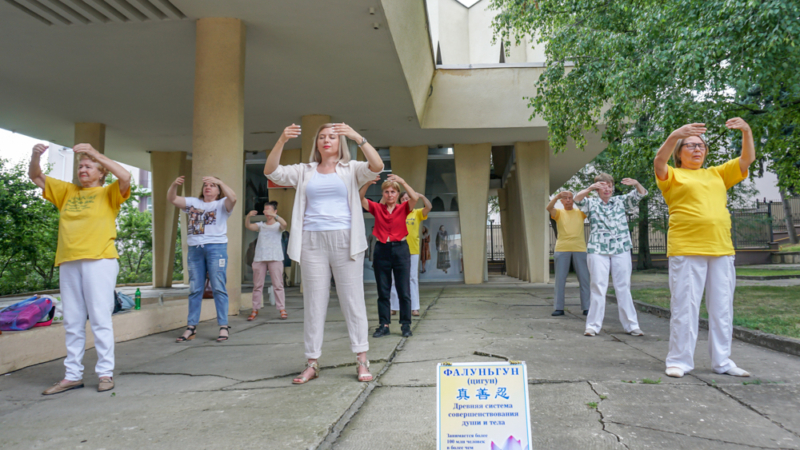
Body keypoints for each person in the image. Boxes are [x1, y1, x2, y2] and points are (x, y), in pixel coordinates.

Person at [265, 122, 382, 384]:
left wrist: (356, 136)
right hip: (311, 241)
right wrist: (282, 140)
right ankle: (312, 362)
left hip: (345, 240)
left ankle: (362, 360)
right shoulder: (304, 171)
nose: (326, 140)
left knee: (353, 301)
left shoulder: (351, 169)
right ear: (315, 143)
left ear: (340, 142)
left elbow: (376, 166)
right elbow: (270, 171)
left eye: (332, 136)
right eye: (321, 137)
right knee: (314, 304)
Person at [654, 119, 755, 378]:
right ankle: (679, 361)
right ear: (679, 153)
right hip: (686, 248)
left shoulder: (718, 173)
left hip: (721, 248)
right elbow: (659, 162)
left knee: (722, 308)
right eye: (689, 146)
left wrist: (746, 131)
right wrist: (675, 135)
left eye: (700, 146)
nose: (697, 150)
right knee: (684, 306)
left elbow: (746, 160)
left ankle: (722, 361)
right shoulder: (673, 175)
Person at [30, 143, 131, 395]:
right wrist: (35, 156)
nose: (82, 169)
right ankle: (72, 375)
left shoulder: (109, 193)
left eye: (88, 166)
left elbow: (126, 177)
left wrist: (96, 154)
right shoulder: (67, 192)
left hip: (99, 260)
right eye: (80, 166)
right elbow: (35, 176)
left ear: (101, 173)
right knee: (73, 321)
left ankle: (105, 373)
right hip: (69, 260)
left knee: (99, 317)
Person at [574, 174, 646, 337]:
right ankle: (592, 326)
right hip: (598, 250)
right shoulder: (591, 203)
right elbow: (577, 199)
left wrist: (636, 183)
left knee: (623, 287)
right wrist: (590, 189)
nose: (607, 188)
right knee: (598, 287)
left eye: (609, 185)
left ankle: (632, 325)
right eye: (603, 185)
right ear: (597, 188)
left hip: (621, 249)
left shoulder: (620, 201)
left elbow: (640, 194)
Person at [168, 175, 237, 343]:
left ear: (218, 190)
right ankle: (191, 328)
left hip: (216, 248)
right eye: (206, 185)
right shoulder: (193, 203)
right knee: (195, 289)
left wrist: (220, 181)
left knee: (218, 286)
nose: (208, 187)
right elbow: (172, 199)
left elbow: (233, 198)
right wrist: (173, 185)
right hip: (195, 250)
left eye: (212, 185)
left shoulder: (222, 204)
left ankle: (223, 326)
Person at [360, 175, 420, 338]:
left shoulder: (404, 208)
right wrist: (367, 183)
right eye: (386, 192)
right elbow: (360, 198)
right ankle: (384, 324)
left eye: (393, 191)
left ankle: (405, 325)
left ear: (397, 194)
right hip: (382, 249)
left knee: (403, 289)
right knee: (383, 290)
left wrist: (403, 181)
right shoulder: (377, 208)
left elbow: (414, 197)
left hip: (401, 249)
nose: (390, 194)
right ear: (383, 194)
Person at [388, 192, 432, 316]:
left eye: (408, 198)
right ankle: (394, 307)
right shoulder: (396, 211)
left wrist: (422, 197)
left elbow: (428, 207)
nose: (406, 200)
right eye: (403, 199)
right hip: (397, 248)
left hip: (412, 249)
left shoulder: (417, 212)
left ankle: (414, 307)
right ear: (400, 201)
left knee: (412, 278)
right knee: (394, 278)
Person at [546, 191, 590, 317]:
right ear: (562, 201)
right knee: (560, 280)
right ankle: (559, 308)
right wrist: (557, 196)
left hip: (580, 249)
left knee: (584, 279)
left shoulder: (580, 212)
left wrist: (586, 194)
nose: (568, 200)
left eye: (570, 198)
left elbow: (590, 206)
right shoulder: (559, 213)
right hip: (562, 249)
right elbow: (549, 208)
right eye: (565, 198)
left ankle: (587, 307)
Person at [245, 201, 288, 321]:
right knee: (257, 285)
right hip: (260, 257)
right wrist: (248, 216)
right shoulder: (261, 225)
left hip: (275, 257)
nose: (267, 213)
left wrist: (275, 216)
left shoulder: (277, 225)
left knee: (278, 285)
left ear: (275, 211)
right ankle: (255, 309)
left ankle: (282, 309)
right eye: (265, 210)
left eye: (269, 210)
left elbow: (284, 224)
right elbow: (248, 226)